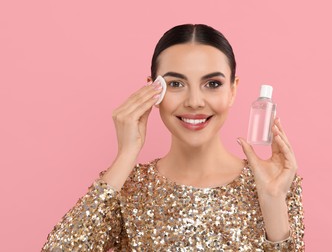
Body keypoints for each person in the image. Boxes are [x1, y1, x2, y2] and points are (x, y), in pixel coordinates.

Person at [42, 24, 305, 251]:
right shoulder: (127, 188)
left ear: (233, 90)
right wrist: (125, 156)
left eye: (212, 84)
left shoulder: (274, 183)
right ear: (153, 90)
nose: (194, 102)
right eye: (176, 84)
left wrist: (272, 200)